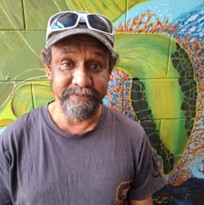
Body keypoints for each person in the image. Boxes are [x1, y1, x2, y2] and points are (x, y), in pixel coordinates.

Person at [0, 11, 164, 205]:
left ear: (110, 71)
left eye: (95, 66)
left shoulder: (133, 139)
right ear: (48, 67)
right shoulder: (14, 140)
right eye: (67, 64)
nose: (82, 80)